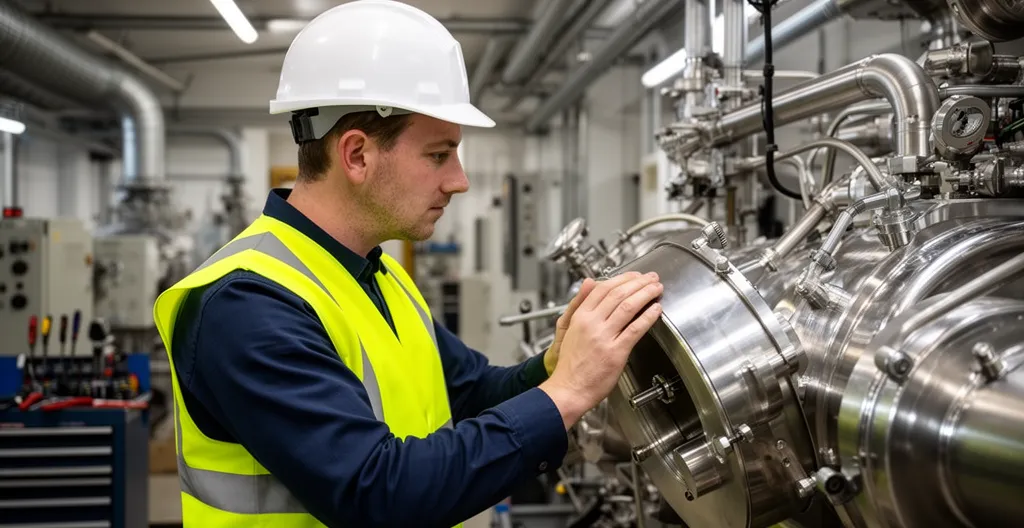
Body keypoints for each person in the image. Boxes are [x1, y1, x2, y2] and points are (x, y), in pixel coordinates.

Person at [152, 1, 664, 527]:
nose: (459, 180)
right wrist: (567, 393)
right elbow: (377, 493)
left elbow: (470, 393)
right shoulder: (246, 304)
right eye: (439, 154)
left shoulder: (377, 273)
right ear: (356, 155)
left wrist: (554, 366)